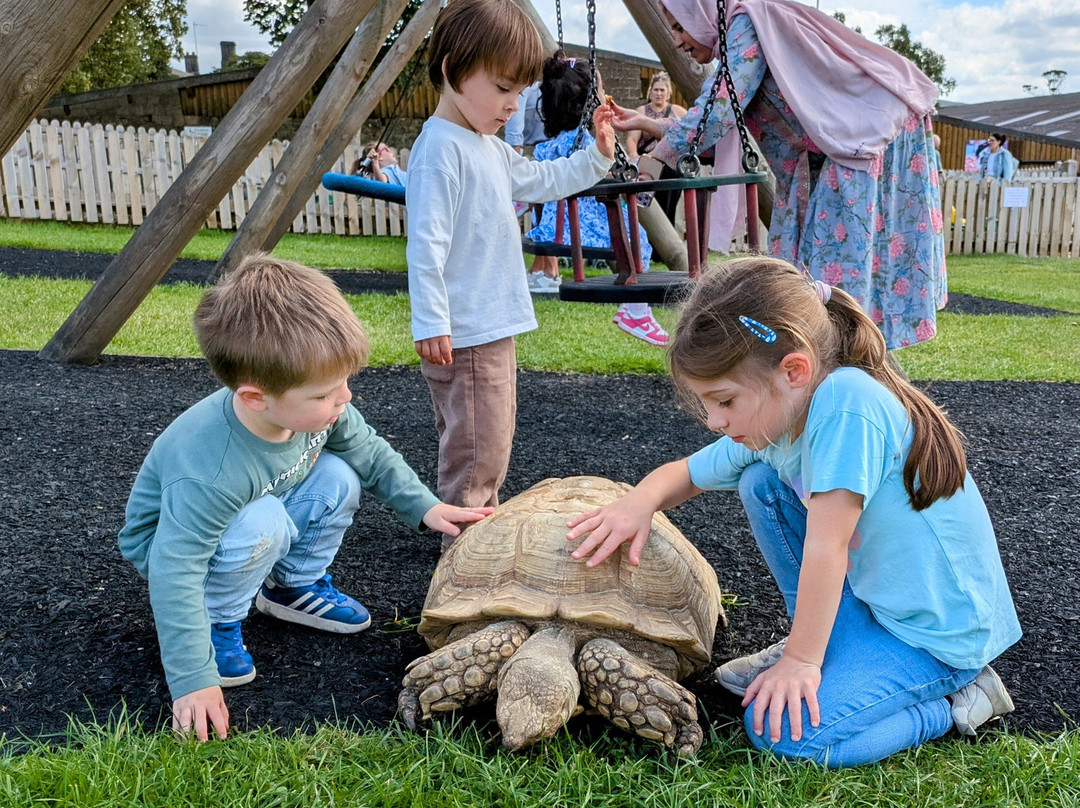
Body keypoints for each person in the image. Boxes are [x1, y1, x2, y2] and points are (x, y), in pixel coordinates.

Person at [566, 257, 1021, 768]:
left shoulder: (848, 405)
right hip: (884, 604)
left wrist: (802, 663)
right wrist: (638, 502)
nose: (715, 421)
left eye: (724, 401)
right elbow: (687, 473)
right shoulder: (778, 413)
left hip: (937, 635)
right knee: (761, 481)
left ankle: (957, 704)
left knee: (787, 738)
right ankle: (825, 643)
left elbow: (827, 546)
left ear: (794, 371)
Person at [117, 254, 493, 742]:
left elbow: (369, 452)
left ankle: (290, 587)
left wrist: (424, 506)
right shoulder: (209, 469)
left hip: (254, 510)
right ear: (256, 398)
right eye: (323, 394)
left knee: (340, 475)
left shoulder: (319, 410)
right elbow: (174, 566)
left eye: (344, 383)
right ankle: (218, 619)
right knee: (264, 522)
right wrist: (193, 680)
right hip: (180, 550)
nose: (345, 399)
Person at [610, 0, 947, 351]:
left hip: (863, 139)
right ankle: (819, 362)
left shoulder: (747, 20)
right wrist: (652, 126)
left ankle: (845, 366)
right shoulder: (744, 32)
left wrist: (657, 157)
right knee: (798, 281)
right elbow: (727, 125)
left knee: (834, 291)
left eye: (679, 27)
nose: (677, 41)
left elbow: (721, 107)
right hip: (826, 155)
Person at [405, 0, 614, 549]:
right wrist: (431, 319)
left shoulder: (486, 147)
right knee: (476, 460)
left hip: (487, 328)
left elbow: (543, 179)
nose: (513, 105)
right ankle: (461, 576)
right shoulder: (440, 151)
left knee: (485, 448)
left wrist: (597, 156)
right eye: (503, 89)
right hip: (467, 333)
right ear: (452, 71)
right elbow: (425, 244)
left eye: (519, 92)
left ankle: (477, 552)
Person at [522, 53, 667, 346]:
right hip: (578, 228)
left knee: (628, 230)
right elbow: (595, 179)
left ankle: (636, 310)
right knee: (636, 235)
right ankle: (636, 311)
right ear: (588, 103)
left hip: (556, 226)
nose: (604, 96)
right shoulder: (587, 143)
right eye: (600, 91)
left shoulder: (548, 146)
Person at [624, 72, 687, 223]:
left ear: (668, 93)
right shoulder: (642, 111)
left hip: (671, 165)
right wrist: (634, 155)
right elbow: (632, 138)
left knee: (668, 207)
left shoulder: (677, 111)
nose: (659, 93)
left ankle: (665, 240)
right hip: (649, 162)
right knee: (646, 206)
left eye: (662, 90)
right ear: (650, 92)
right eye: (656, 90)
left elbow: (690, 134)